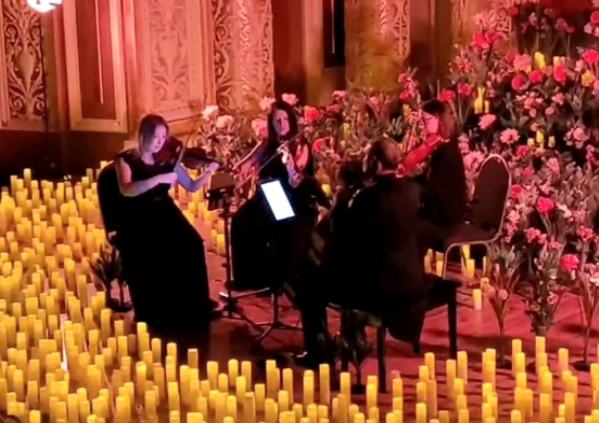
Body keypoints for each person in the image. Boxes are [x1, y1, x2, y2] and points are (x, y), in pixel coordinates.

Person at [293, 138, 428, 368]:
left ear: (376, 163)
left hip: (381, 289)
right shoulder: (413, 190)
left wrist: (339, 205)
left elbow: (343, 241)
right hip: (412, 278)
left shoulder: (367, 199)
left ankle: (320, 350)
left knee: (309, 279)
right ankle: (350, 337)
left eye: (367, 158)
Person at [114, 114, 219, 329]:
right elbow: (127, 189)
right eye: (157, 137)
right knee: (161, 252)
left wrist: (209, 172)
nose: (161, 142)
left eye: (164, 137)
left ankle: (197, 303)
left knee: (192, 244)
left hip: (164, 209)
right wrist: (158, 179)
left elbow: (191, 186)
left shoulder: (167, 159)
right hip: (139, 215)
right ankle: (164, 308)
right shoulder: (125, 160)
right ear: (144, 135)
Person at [230, 100, 328, 290]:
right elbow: (246, 163)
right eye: (277, 120)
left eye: (285, 119)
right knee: (239, 220)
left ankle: (272, 279)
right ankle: (248, 278)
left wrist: (289, 162)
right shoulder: (268, 143)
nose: (281, 124)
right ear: (271, 122)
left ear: (291, 121)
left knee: (270, 226)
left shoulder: (300, 145)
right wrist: (239, 169)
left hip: (291, 198)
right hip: (267, 194)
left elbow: (296, 181)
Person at [411, 100, 468, 255]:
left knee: (404, 226)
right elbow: (427, 180)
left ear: (438, 119)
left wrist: (409, 193)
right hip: (439, 215)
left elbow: (434, 190)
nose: (423, 126)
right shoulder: (442, 148)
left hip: (445, 223)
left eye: (426, 121)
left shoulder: (447, 152)